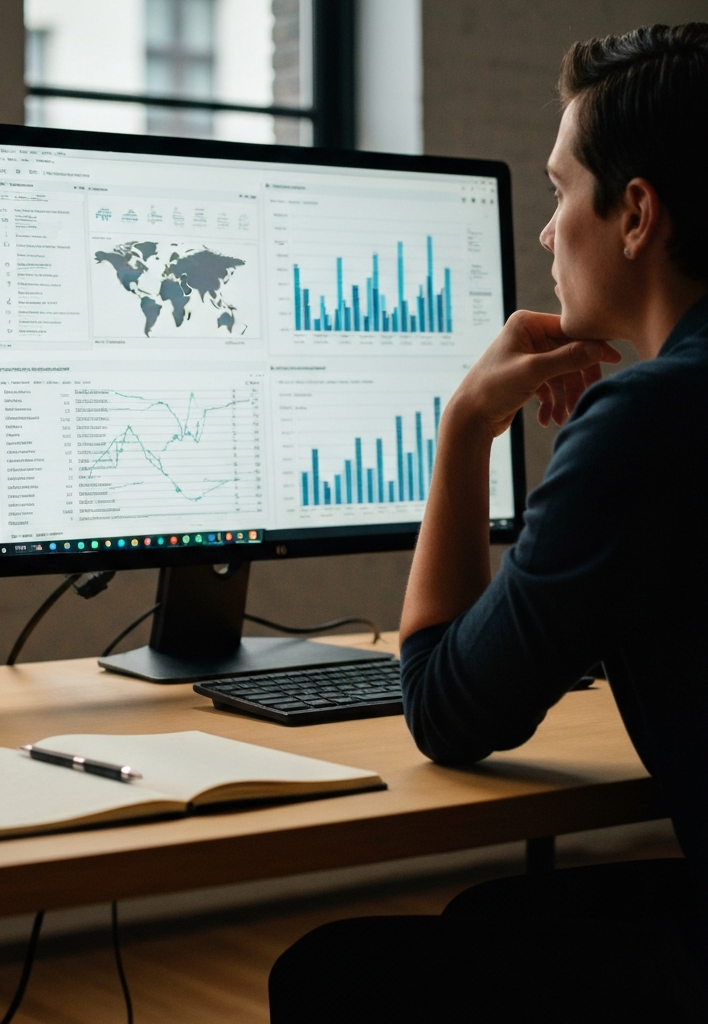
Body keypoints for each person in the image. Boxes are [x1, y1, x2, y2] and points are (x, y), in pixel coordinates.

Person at [270, 23, 708, 1023]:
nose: (548, 234)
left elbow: (446, 710)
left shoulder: (648, 421)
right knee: (490, 916)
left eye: (560, 192)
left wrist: (464, 423)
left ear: (635, 214)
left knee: (330, 974)